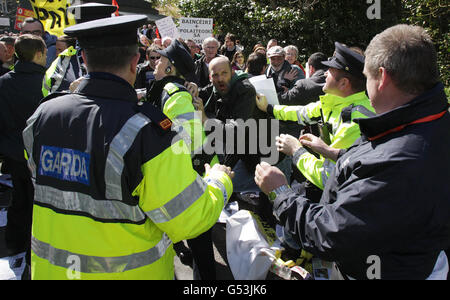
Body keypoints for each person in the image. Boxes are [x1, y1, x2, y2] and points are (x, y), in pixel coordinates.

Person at [24, 15, 234, 280]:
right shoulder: (146, 132)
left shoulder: (42, 115)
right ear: (136, 62)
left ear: (84, 60)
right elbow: (190, 219)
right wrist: (220, 181)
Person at [255, 24, 450, 280]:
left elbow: (331, 233)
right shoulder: (422, 123)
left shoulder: (398, 160)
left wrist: (280, 191)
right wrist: (334, 152)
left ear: (382, 78)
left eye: (367, 78)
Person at [257, 42, 375, 200]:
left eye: (330, 71)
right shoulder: (335, 101)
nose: (325, 74)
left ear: (344, 83)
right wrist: (269, 108)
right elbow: (302, 113)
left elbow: (329, 178)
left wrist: (296, 151)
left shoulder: (354, 121)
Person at [147, 39, 222, 280]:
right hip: (183, 175)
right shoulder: (169, 89)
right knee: (198, 241)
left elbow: (186, 140)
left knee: (200, 243)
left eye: (161, 60)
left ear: (171, 68)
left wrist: (160, 125)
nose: (156, 63)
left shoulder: (175, 93)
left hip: (187, 178)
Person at [0, 34, 47, 274]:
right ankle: (32, 251)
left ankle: (16, 245)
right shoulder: (46, 83)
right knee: (38, 205)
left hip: (14, 156)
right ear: (38, 54)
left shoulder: (4, 82)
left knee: (19, 201)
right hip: (40, 156)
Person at [42, 2, 117, 97]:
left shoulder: (122, 58)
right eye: (87, 33)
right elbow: (49, 98)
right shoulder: (64, 60)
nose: (94, 39)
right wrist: (71, 92)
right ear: (77, 35)